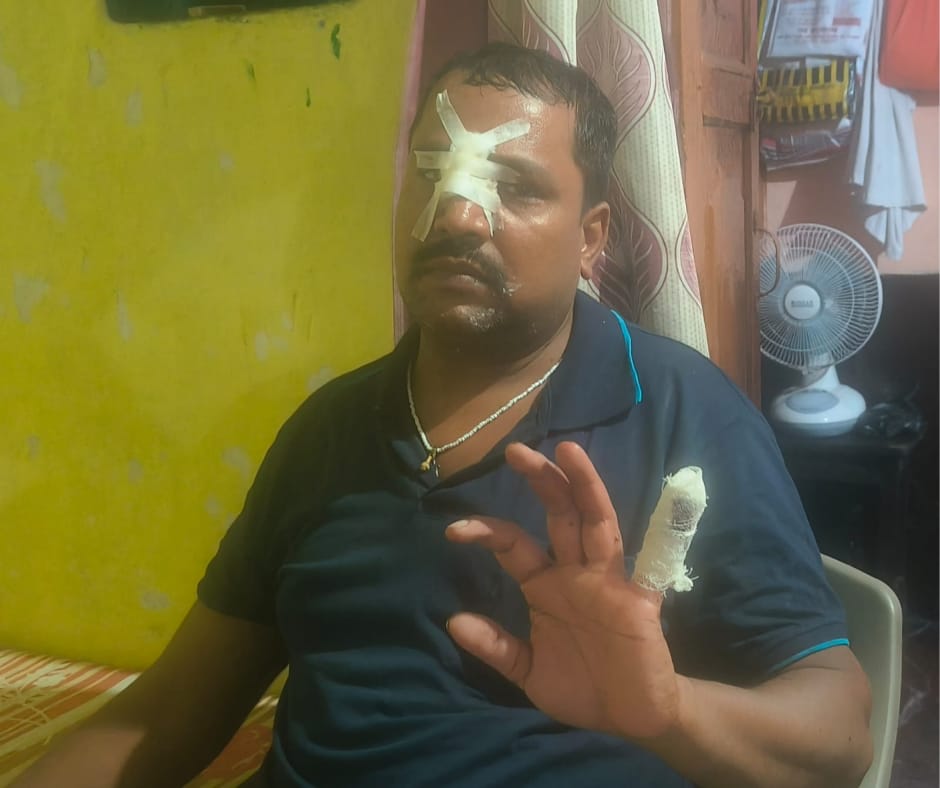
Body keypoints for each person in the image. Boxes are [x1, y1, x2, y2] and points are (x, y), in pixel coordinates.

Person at [15, 43, 872, 788]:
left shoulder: (685, 413)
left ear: (591, 237)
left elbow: (838, 739)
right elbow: (167, 713)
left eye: (516, 187)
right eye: (431, 172)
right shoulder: (327, 431)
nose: (458, 216)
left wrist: (668, 711)